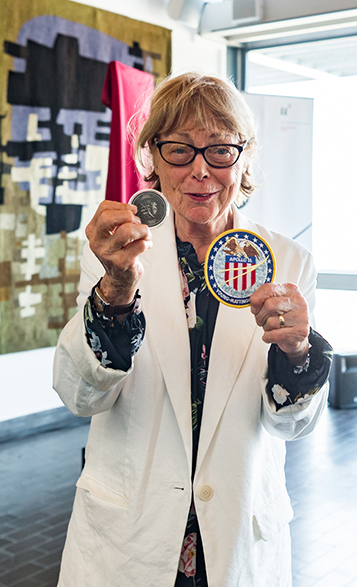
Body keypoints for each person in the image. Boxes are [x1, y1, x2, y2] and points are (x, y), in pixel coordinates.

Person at [53, 72, 333, 587]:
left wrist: (298, 352)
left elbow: (293, 425)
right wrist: (115, 292)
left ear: (243, 156)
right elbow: (80, 395)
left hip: (237, 531)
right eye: (179, 150)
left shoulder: (289, 261)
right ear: (153, 158)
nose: (200, 170)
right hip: (131, 534)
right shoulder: (116, 254)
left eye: (220, 150)